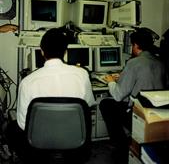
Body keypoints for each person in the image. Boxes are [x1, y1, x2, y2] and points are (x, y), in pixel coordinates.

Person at [6, 27, 95, 163]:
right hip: (75, 143)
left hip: (39, 148)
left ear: (41, 51)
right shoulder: (82, 74)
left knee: (11, 128)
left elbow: (24, 124)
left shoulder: (27, 82)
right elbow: (88, 105)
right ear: (65, 52)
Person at [99, 29, 165, 164]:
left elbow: (118, 95)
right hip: (157, 116)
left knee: (106, 104)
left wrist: (111, 80)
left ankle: (120, 145)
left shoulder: (134, 63)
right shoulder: (161, 63)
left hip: (138, 115)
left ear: (135, 45)